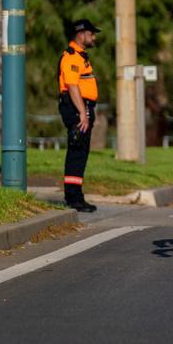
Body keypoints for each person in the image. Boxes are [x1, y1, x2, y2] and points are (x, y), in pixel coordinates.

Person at [58, 19, 101, 212]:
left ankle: (76, 195)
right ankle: (73, 198)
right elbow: (73, 86)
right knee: (77, 151)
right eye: (91, 33)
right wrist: (83, 113)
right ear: (81, 33)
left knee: (80, 152)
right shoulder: (72, 56)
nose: (93, 37)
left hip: (82, 107)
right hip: (77, 108)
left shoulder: (81, 57)